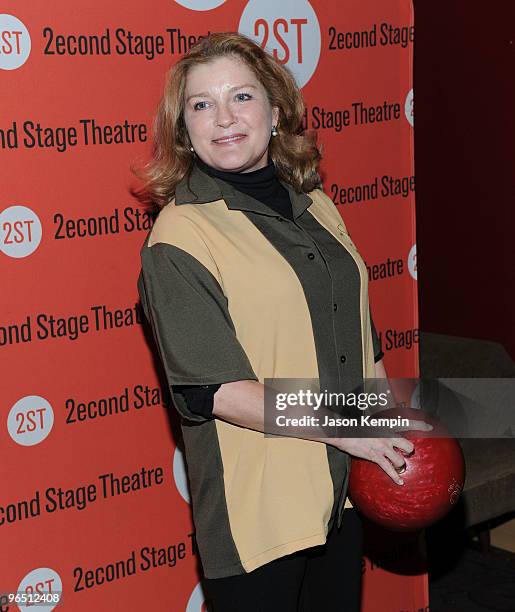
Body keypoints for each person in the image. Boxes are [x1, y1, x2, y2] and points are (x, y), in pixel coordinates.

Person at [137, 32, 416, 611]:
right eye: (201, 105)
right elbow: (215, 390)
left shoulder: (316, 203)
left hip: (341, 490)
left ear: (276, 107)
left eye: (241, 97)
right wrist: (349, 430)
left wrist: (387, 424)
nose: (224, 118)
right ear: (184, 129)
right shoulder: (180, 236)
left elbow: (359, 336)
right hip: (258, 516)